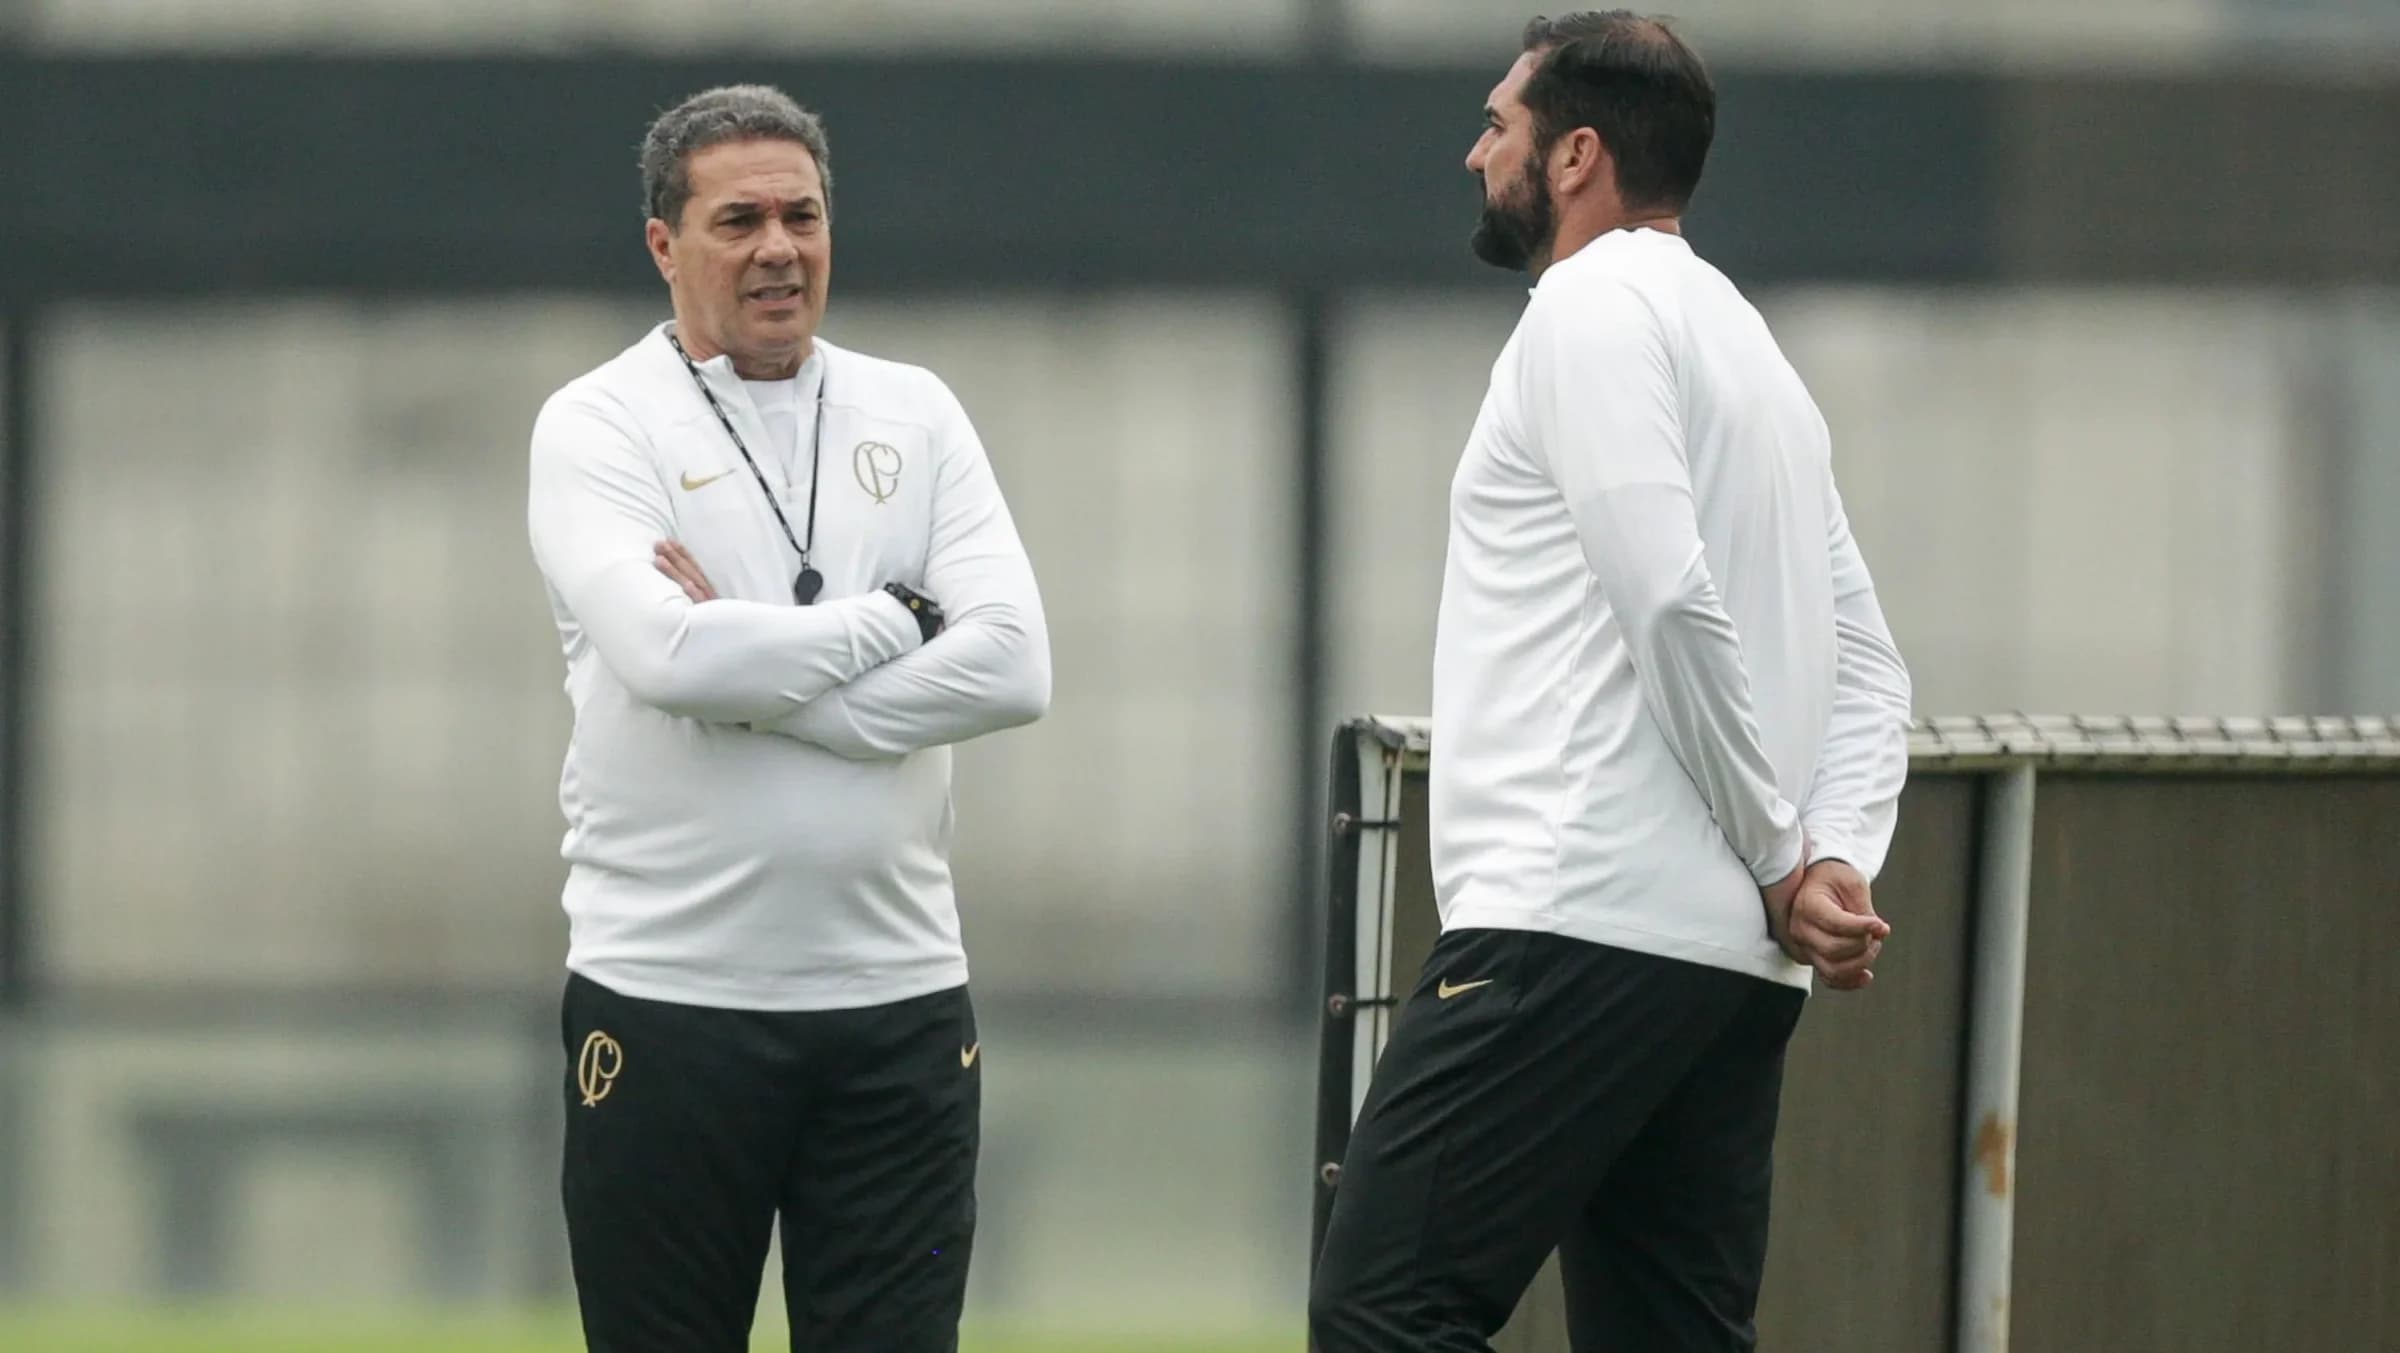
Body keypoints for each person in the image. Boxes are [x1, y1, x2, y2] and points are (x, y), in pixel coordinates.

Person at [1308, 12, 1913, 1352]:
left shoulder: (1587, 308)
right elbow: (1874, 667)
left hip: (1571, 921)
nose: (1476, 156)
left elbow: (1663, 595)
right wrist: (1833, 859)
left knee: (1383, 1310)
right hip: (1729, 974)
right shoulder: (1751, 348)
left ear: (1575, 155)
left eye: (1499, 127)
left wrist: (1778, 856)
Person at [524, 84, 1050, 1353]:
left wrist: (761, 674)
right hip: (668, 1004)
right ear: (665, 244)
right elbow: (668, 656)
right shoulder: (597, 422)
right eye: (739, 220)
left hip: (901, 1012)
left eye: (803, 217)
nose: (778, 249)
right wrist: (897, 617)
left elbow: (1018, 670)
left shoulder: (914, 411)